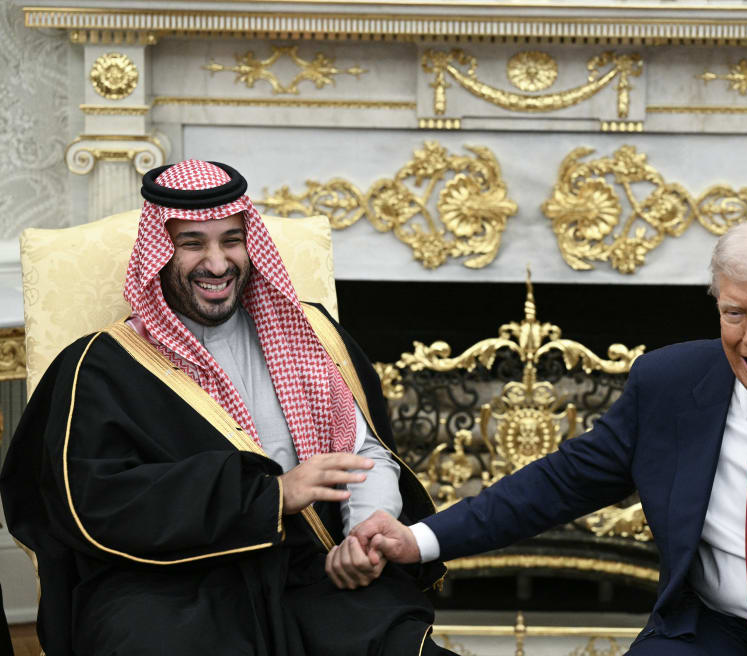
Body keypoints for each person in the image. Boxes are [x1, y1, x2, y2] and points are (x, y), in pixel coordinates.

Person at [355, 219, 747, 655]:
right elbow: (560, 483)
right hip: (715, 633)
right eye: (733, 312)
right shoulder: (670, 384)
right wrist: (421, 539)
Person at [0, 160, 453, 656]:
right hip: (170, 586)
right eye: (192, 243)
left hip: (307, 568)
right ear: (157, 252)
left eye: (231, 240)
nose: (217, 263)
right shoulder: (102, 366)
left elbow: (363, 452)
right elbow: (95, 503)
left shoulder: (307, 332)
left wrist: (367, 532)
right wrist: (270, 497)